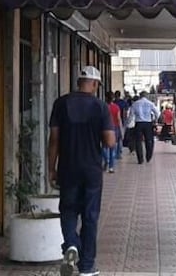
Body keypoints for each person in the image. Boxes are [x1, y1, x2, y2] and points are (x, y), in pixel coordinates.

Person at [48, 66, 116, 276]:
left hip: (68, 168)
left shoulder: (60, 103)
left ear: (78, 82)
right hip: (92, 170)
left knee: (68, 210)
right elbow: (110, 141)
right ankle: (87, 266)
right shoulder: (100, 106)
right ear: (95, 84)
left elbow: (54, 140)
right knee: (90, 216)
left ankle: (71, 244)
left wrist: (51, 168)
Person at [130, 92, 160, 164]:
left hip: (138, 123)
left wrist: (128, 124)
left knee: (138, 141)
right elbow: (157, 113)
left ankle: (140, 159)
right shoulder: (150, 103)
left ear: (140, 96)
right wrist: (155, 120)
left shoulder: (135, 104)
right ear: (147, 96)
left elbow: (131, 115)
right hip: (148, 123)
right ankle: (148, 157)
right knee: (149, 140)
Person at [104, 92, 122, 171]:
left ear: (105, 98)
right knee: (113, 148)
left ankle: (106, 159)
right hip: (114, 128)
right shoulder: (116, 107)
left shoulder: (103, 106)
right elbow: (118, 119)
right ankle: (111, 167)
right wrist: (121, 129)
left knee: (104, 147)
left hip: (104, 128)